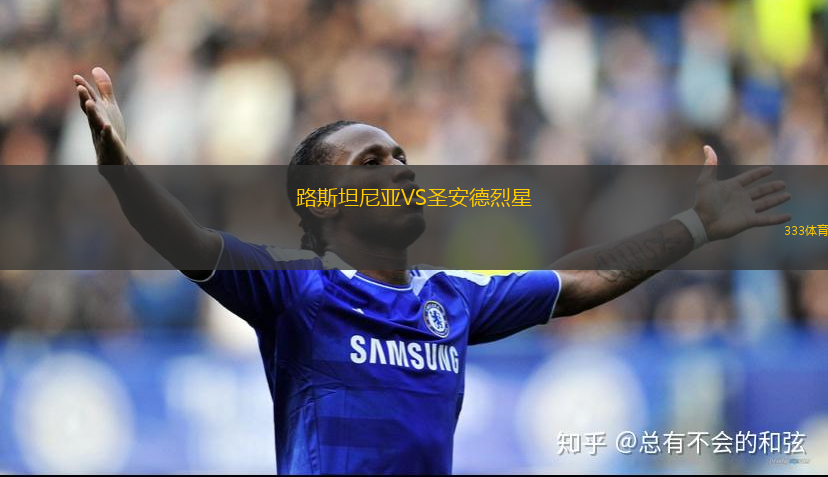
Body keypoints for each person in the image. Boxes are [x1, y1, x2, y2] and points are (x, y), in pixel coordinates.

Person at [73, 67, 791, 474]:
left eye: (402, 156)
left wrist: (696, 225)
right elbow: (188, 241)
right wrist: (121, 170)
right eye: (373, 161)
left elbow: (576, 282)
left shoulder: (452, 297)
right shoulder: (298, 289)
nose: (402, 168)